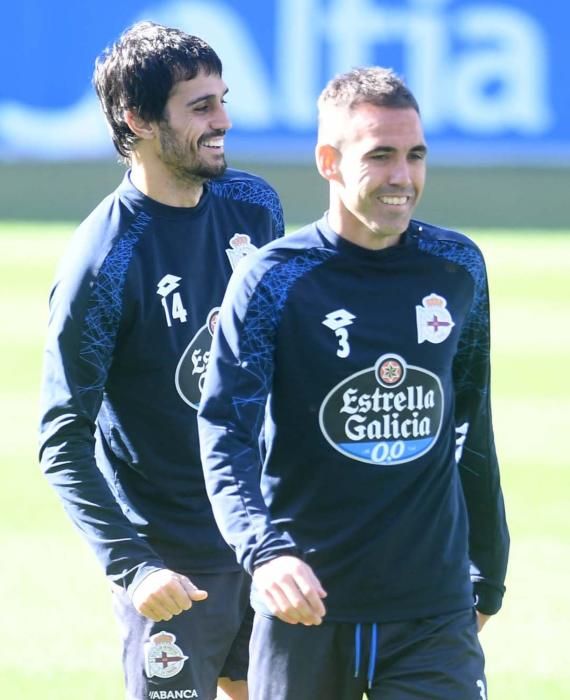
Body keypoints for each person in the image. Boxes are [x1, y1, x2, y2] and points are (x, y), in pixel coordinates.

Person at [197, 66, 509, 700]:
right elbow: (225, 430)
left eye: (416, 155)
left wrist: (489, 574)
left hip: (432, 611)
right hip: (304, 608)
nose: (403, 177)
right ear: (328, 161)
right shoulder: (272, 280)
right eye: (381, 156)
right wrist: (265, 554)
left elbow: (471, 424)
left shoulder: (456, 268)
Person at [38, 20, 283, 700]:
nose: (224, 120)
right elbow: (61, 440)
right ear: (138, 119)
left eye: (223, 99)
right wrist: (134, 566)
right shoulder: (103, 264)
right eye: (200, 106)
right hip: (174, 566)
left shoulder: (256, 209)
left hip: (265, 539)